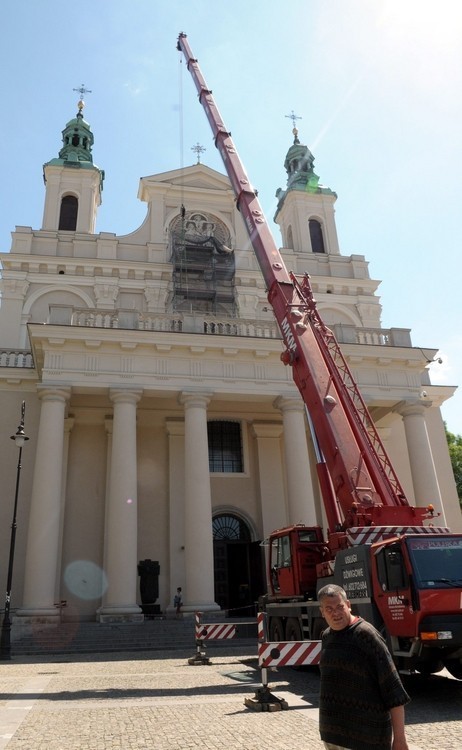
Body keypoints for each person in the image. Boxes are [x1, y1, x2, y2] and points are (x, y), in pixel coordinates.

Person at [317, 583, 410, 750]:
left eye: (340, 607)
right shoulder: (326, 637)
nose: (336, 613)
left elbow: (393, 690)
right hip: (333, 737)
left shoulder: (366, 636)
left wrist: (400, 740)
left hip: (367, 738)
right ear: (322, 612)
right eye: (329, 609)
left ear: (349, 605)